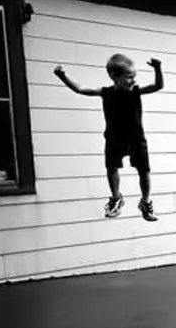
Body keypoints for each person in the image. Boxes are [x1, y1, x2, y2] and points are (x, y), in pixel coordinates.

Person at [54, 54, 162, 221]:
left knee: (144, 170)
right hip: (114, 139)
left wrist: (157, 69)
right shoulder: (106, 93)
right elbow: (80, 89)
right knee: (112, 168)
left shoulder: (136, 92)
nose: (133, 81)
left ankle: (146, 202)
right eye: (129, 77)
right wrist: (63, 76)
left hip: (136, 139)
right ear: (114, 76)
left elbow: (157, 86)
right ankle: (116, 198)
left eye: (134, 77)